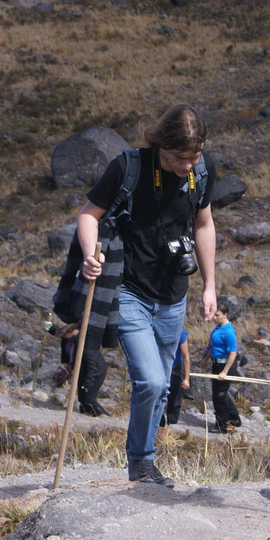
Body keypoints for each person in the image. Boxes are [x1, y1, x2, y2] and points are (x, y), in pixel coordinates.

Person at [78, 103, 217, 486]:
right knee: (152, 382)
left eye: (195, 157)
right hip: (129, 291)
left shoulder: (201, 173)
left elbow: (204, 224)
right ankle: (140, 460)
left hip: (174, 297)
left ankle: (144, 463)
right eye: (178, 158)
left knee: (163, 386)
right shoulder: (129, 167)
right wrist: (92, 256)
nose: (188, 165)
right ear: (160, 145)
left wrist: (210, 285)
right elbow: (89, 214)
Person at [52, 322, 111, 416]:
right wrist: (48, 326)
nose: (62, 335)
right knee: (82, 399)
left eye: (63, 333)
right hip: (83, 370)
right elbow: (56, 332)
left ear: (70, 331)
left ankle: (105, 416)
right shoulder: (68, 339)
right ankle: (87, 415)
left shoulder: (85, 341)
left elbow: (92, 364)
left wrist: (88, 382)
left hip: (96, 371)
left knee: (89, 399)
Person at [208, 303, 241, 433]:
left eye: (217, 315)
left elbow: (233, 353)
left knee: (219, 396)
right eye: (214, 315)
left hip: (226, 365)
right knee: (221, 394)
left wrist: (225, 371)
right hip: (216, 363)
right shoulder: (217, 327)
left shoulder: (229, 332)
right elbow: (211, 344)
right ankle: (234, 419)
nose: (214, 318)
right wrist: (205, 358)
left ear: (225, 315)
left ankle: (222, 425)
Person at [160, 330, 191, 427]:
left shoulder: (180, 333)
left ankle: (172, 425)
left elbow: (186, 356)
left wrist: (186, 378)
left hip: (175, 368)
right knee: (158, 396)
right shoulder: (156, 328)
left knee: (174, 398)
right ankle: (159, 424)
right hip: (160, 367)